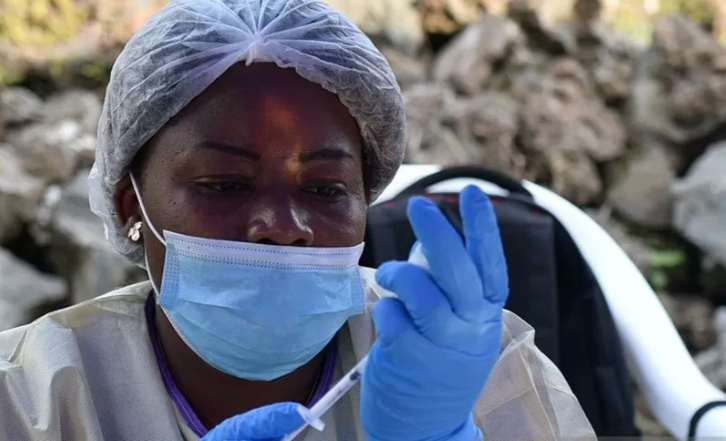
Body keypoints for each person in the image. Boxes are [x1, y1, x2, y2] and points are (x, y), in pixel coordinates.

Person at [0, 0, 597, 440]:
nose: (283, 224)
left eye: (324, 188)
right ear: (131, 202)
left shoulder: (469, 366)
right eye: (224, 184)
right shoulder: (29, 399)